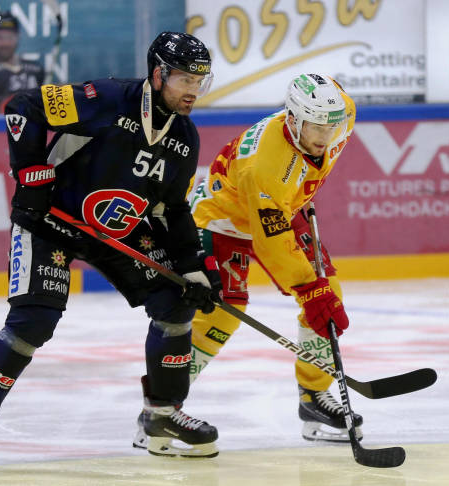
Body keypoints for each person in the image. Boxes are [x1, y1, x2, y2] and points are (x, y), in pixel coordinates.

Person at [0, 31, 223, 470]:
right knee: (35, 320)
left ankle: (161, 415)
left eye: (199, 81)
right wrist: (31, 174)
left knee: (176, 302)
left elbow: (171, 208)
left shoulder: (184, 137)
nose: (193, 91)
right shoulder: (105, 98)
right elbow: (23, 106)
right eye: (185, 79)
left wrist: (192, 267)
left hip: (117, 232)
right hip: (52, 221)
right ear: (158, 74)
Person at [131, 73, 364, 447]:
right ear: (293, 119)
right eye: (316, 127)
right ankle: (159, 411)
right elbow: (272, 241)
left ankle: (313, 396)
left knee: (329, 294)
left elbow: (333, 102)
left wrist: (317, 291)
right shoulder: (265, 165)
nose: (325, 137)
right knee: (221, 312)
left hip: (283, 208)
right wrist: (308, 289)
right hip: (221, 218)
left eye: (330, 127)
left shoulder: (342, 114)